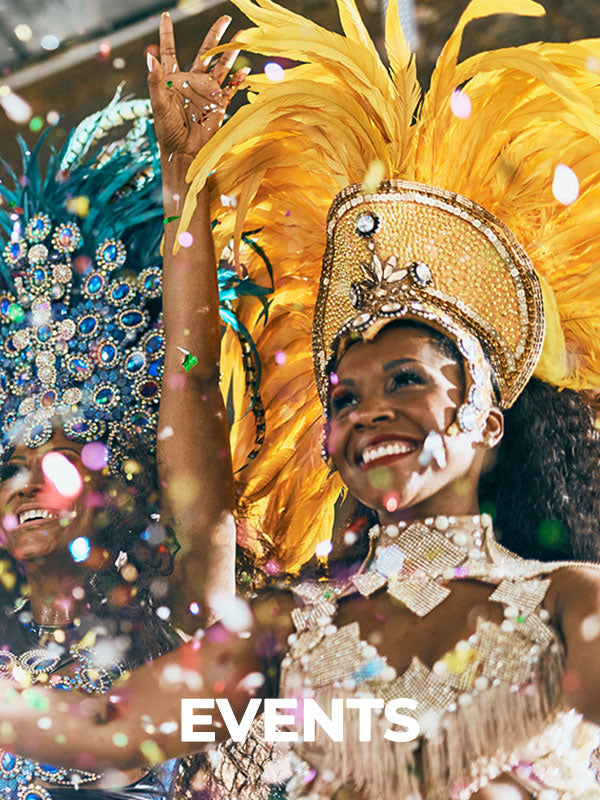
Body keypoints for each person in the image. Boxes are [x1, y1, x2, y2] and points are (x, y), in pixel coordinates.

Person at [1, 1, 600, 799]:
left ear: (489, 421)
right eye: (344, 397)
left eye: (407, 380)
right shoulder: (284, 631)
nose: (367, 412)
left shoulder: (568, 600)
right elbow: (106, 732)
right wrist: (190, 202)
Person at [0, 40, 249, 800]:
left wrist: (186, 195)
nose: (23, 481)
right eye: (8, 462)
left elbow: (189, 382)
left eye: (60, 455)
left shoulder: (182, 604)